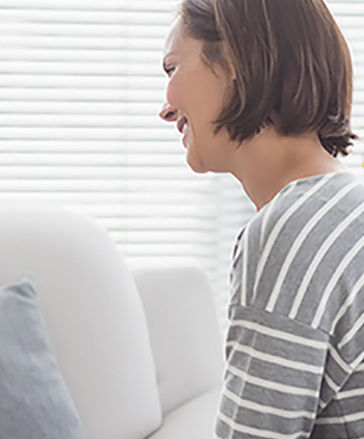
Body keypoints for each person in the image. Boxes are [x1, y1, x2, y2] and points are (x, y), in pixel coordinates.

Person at [159, 0, 364, 437]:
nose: (166, 108)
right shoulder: (348, 209)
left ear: (234, 61)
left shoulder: (290, 233)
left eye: (172, 68)